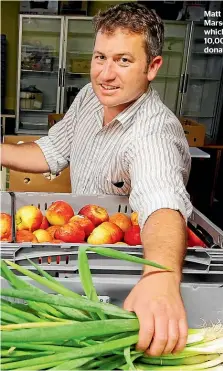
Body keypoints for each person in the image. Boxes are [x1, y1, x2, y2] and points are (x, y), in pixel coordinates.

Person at [1, 3, 193, 356]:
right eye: (100, 57)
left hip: (121, 269)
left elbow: (162, 201)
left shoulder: (154, 134)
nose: (105, 74)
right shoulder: (91, 97)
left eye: (123, 60)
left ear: (152, 67)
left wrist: (162, 277)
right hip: (76, 249)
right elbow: (51, 151)